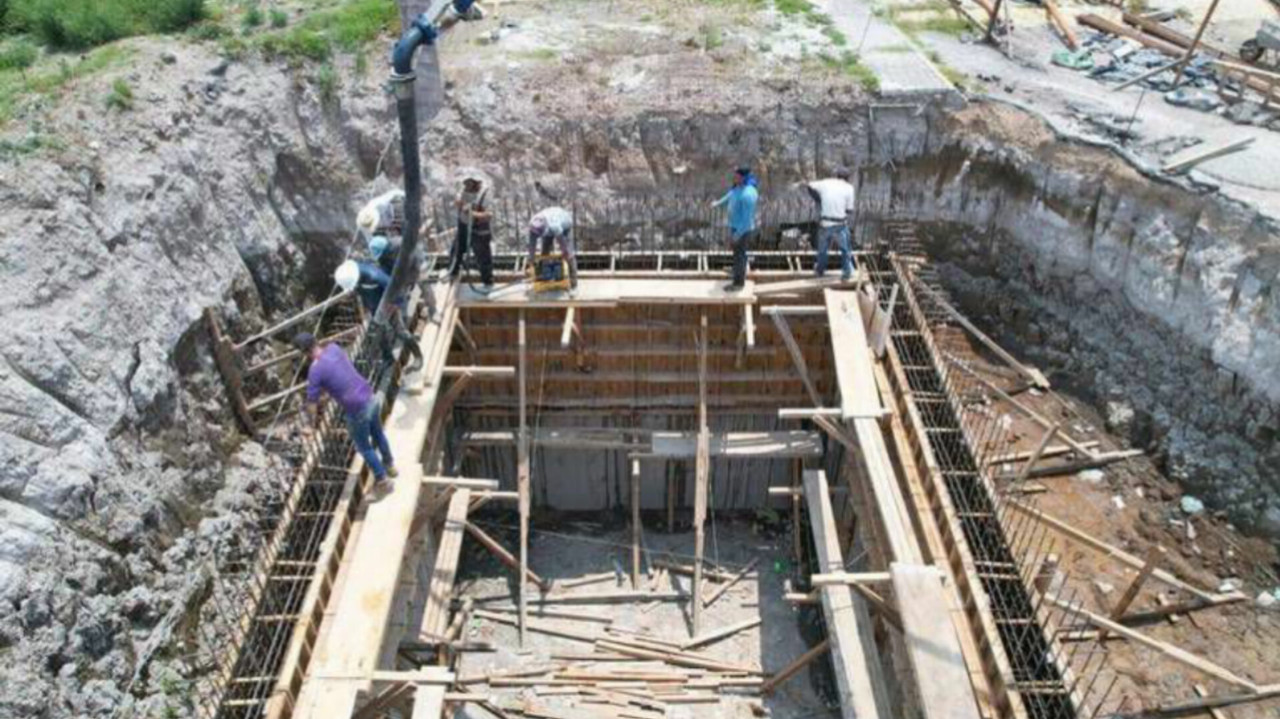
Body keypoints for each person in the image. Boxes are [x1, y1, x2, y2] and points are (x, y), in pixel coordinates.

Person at [295, 332, 397, 484]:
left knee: (364, 446)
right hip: (369, 394)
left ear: (303, 352)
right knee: (378, 434)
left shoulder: (314, 371)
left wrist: (311, 425)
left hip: (356, 408)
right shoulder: (334, 348)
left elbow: (312, 402)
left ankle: (381, 478)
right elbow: (338, 373)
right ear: (316, 341)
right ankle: (390, 466)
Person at [335, 259, 424, 371]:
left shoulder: (374, 276)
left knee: (399, 331)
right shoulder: (353, 276)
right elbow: (360, 291)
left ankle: (418, 356)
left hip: (387, 304)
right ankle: (388, 358)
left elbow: (396, 288)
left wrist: (396, 304)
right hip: (374, 307)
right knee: (379, 332)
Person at [711, 166, 759, 292]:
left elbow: (747, 221)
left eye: (737, 176)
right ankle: (736, 270)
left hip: (742, 230)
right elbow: (730, 195)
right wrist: (717, 204)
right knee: (737, 253)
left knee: (740, 255)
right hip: (735, 226)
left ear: (744, 177)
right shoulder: (739, 188)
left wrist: (737, 235)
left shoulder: (748, 194)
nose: (734, 178)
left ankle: (738, 283)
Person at [804, 168, 857, 281]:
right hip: (839, 224)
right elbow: (849, 210)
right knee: (845, 249)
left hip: (825, 223)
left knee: (822, 250)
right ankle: (846, 273)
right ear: (847, 178)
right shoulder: (849, 188)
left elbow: (809, 185)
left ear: (837, 175)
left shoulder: (826, 182)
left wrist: (818, 199)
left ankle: (820, 270)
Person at [449, 177, 495, 289]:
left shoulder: (485, 194)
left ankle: (488, 281)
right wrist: (459, 203)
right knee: (456, 251)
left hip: (479, 229)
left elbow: (488, 215)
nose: (466, 188)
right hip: (464, 225)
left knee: (483, 257)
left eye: (469, 186)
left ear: (476, 185)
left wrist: (473, 214)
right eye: (466, 185)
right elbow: (458, 199)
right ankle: (453, 273)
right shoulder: (464, 189)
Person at [527, 206, 578, 290]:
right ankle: (544, 276)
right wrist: (531, 259)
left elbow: (562, 243)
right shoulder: (533, 224)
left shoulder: (554, 226)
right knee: (544, 252)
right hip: (550, 226)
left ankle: (574, 284)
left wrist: (565, 252)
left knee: (569, 255)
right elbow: (532, 243)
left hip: (564, 225)